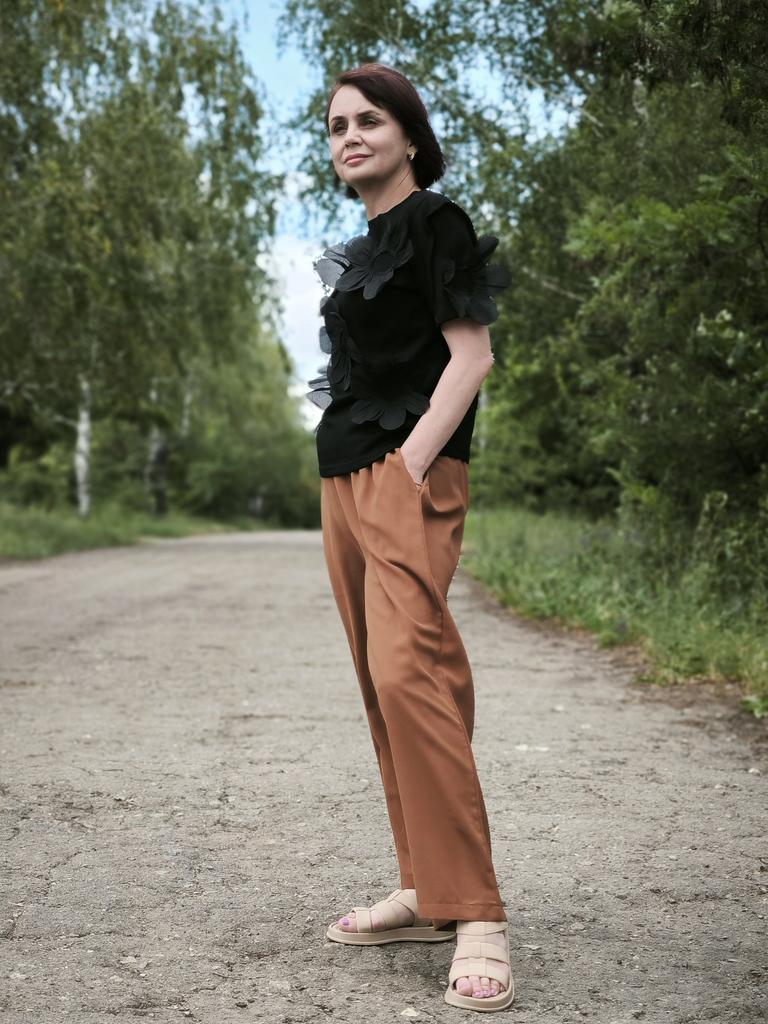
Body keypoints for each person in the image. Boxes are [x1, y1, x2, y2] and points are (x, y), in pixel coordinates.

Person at [306, 62, 514, 1013]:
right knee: (382, 683)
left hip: (405, 472)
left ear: (408, 135)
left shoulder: (437, 222)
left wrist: (412, 464)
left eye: (368, 121)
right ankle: (425, 889)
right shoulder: (362, 246)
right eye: (336, 126)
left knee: (411, 675)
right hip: (343, 474)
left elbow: (472, 356)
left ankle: (477, 914)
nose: (350, 136)